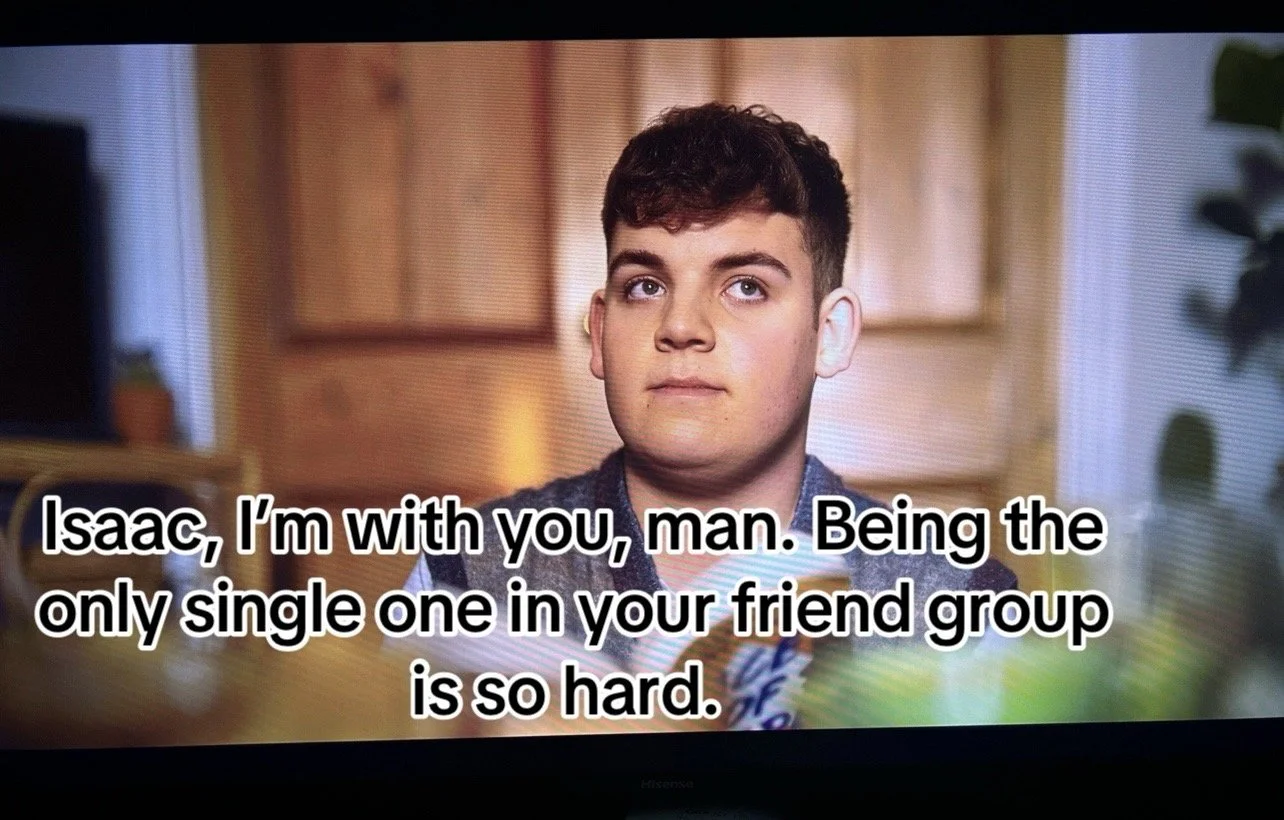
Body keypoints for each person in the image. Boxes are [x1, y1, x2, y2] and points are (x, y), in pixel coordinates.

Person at [401, 102, 1016, 666]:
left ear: (828, 334)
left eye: (746, 287)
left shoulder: (960, 608)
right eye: (645, 286)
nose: (681, 327)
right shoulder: (462, 580)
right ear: (602, 330)